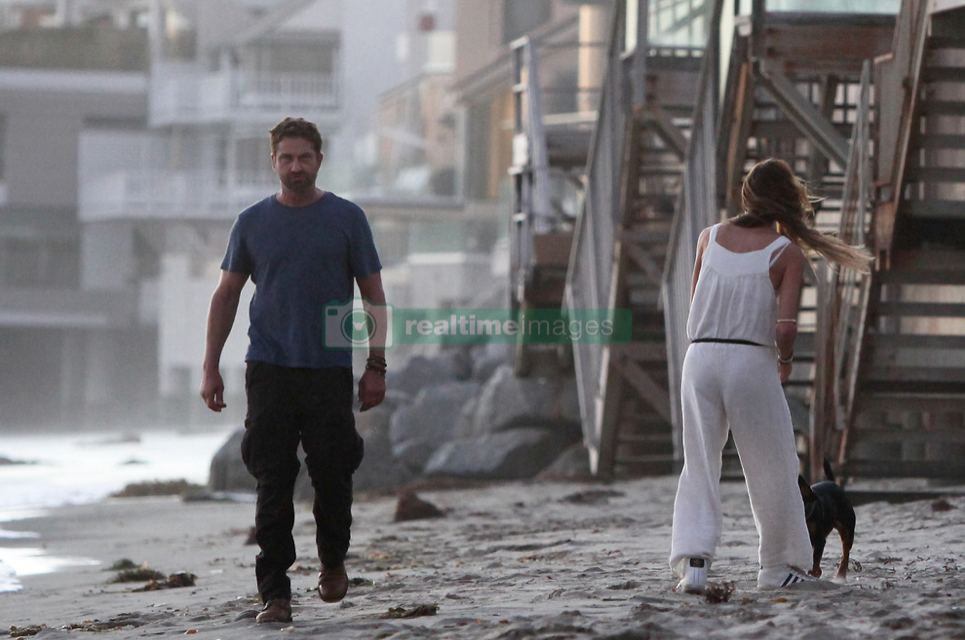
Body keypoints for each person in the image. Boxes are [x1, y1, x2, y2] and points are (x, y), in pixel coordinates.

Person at [200, 117, 387, 623]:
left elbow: (372, 295)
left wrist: (376, 365)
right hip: (269, 367)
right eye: (287, 158)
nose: (296, 166)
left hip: (329, 367)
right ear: (274, 162)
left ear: (319, 160)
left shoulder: (347, 218)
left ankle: (332, 560)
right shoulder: (252, 222)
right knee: (272, 477)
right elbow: (226, 295)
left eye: (305, 157)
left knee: (333, 472)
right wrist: (210, 366)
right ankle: (275, 593)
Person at [669, 158, 871, 593]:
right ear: (788, 201)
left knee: (699, 463)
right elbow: (784, 329)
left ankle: (695, 565)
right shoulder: (786, 252)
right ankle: (778, 569)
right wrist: (785, 361)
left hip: (700, 358)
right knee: (774, 466)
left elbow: (695, 303)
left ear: (746, 196)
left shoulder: (708, 237)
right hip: (749, 361)